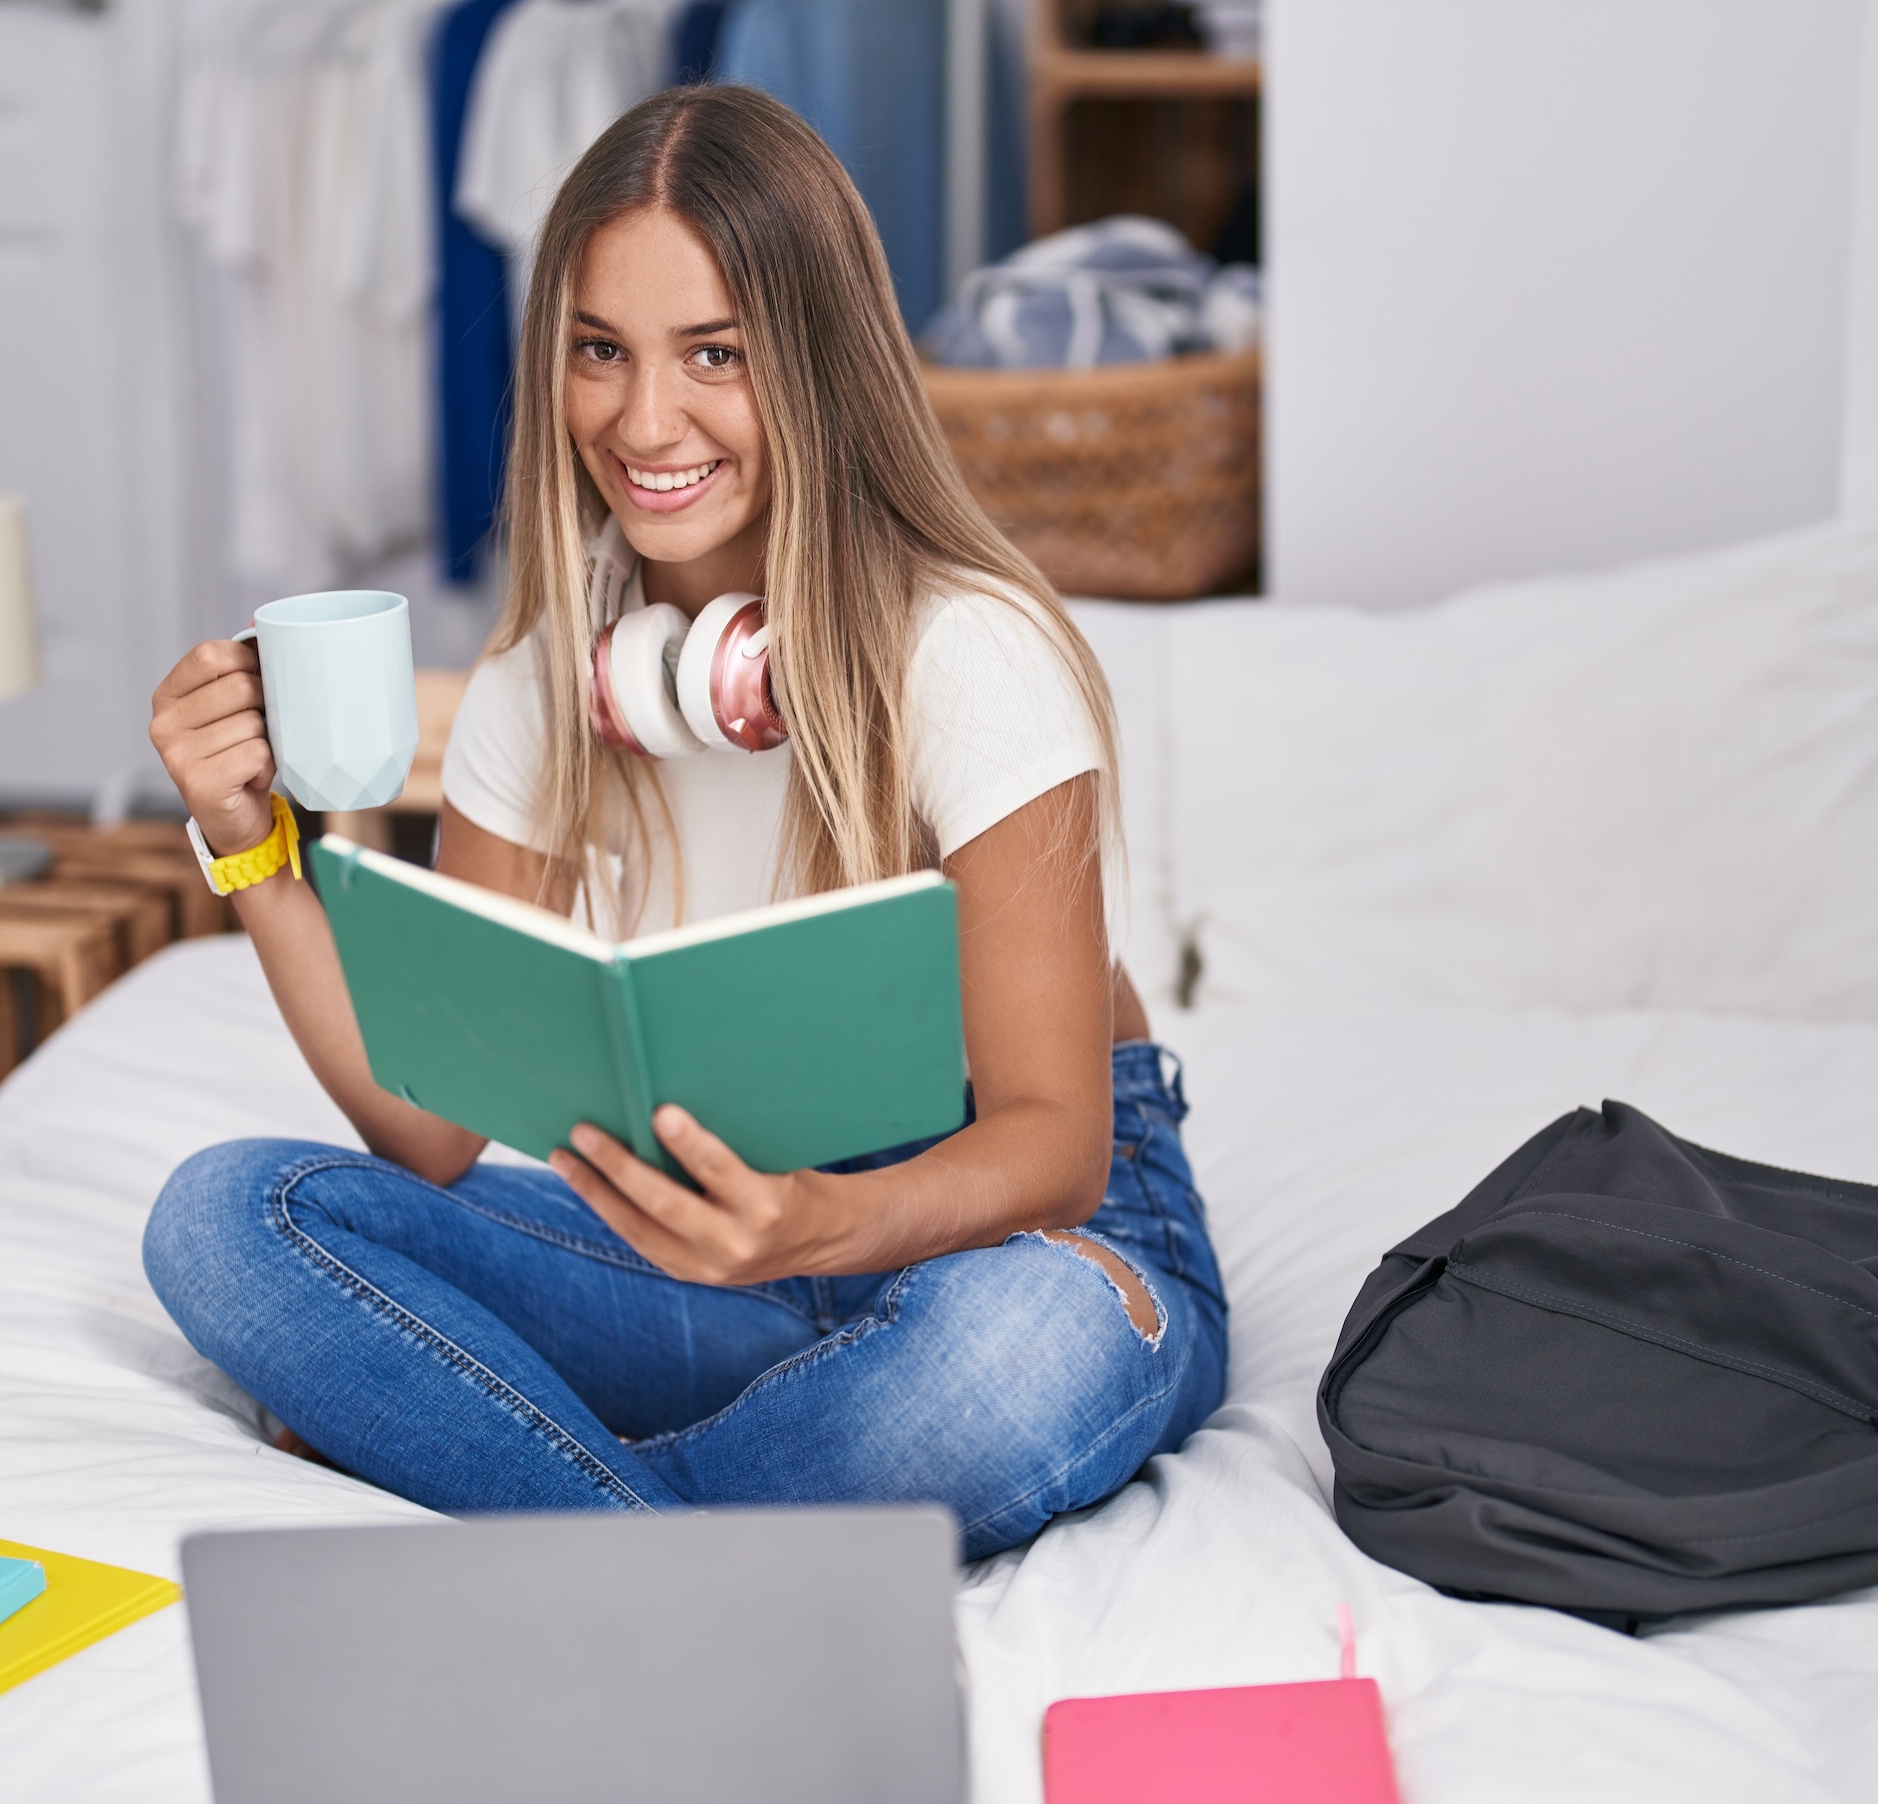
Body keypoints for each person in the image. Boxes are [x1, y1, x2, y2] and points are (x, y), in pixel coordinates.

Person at [140, 86, 1224, 1561]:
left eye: (714, 355)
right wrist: (250, 843)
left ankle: (565, 1498)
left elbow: (1058, 1148)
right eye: (601, 352)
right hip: (705, 1236)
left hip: (1013, 1226)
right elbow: (430, 1133)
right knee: (230, 1218)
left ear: (818, 366)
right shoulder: (544, 686)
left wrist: (822, 1228)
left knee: (1013, 1358)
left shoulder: (969, 651)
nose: (644, 422)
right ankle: (697, 1524)